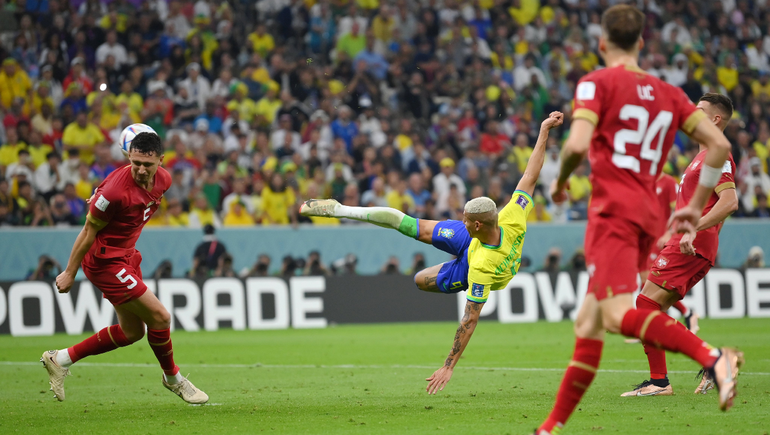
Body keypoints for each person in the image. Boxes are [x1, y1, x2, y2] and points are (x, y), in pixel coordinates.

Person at [537, 7, 741, 434]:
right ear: (642, 43)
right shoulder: (669, 93)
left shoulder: (596, 83)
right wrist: (694, 205)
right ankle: (550, 427)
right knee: (589, 322)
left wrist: (560, 181)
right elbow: (719, 146)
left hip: (614, 212)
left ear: (602, 43)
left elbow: (576, 145)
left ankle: (713, 359)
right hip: (649, 216)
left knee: (618, 315)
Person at [301, 111, 564, 393]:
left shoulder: (481, 269)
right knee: (411, 226)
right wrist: (544, 130)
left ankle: (449, 265)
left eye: (465, 218)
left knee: (420, 280)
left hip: (471, 264)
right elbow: (531, 174)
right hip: (470, 241)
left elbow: (469, 320)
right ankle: (342, 209)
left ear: (477, 223)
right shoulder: (512, 214)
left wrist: (448, 365)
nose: (460, 219)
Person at [42, 132, 208, 404]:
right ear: (128, 157)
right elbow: (88, 231)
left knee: (132, 332)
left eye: (147, 164)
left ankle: (60, 359)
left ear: (160, 161)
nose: (141, 169)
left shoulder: (164, 180)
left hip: (127, 257)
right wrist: (70, 271)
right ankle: (173, 379)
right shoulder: (113, 193)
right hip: (105, 261)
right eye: (136, 163)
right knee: (161, 318)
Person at [622, 93, 739, 397]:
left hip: (692, 243)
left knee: (645, 306)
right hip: (687, 241)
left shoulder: (718, 155)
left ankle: (708, 363)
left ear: (715, 119)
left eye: (698, 110)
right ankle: (662, 380)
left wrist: (693, 230)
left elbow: (729, 202)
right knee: (653, 308)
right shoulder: (702, 156)